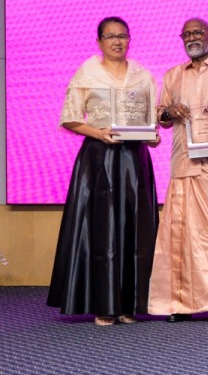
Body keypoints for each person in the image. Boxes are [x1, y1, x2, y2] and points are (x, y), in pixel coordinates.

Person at [48, 17, 159, 325]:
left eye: (122, 36)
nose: (117, 42)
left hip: (134, 161)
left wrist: (153, 136)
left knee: (133, 229)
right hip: (99, 157)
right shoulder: (88, 72)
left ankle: (128, 305)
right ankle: (103, 305)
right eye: (110, 37)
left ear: (129, 39)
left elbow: (150, 123)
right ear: (99, 41)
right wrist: (97, 133)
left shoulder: (143, 75)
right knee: (102, 229)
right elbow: (69, 117)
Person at [149, 18, 208, 322]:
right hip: (184, 164)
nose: (192, 37)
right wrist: (168, 111)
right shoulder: (173, 75)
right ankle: (180, 304)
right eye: (187, 34)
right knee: (181, 237)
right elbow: (161, 117)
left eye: (198, 33)